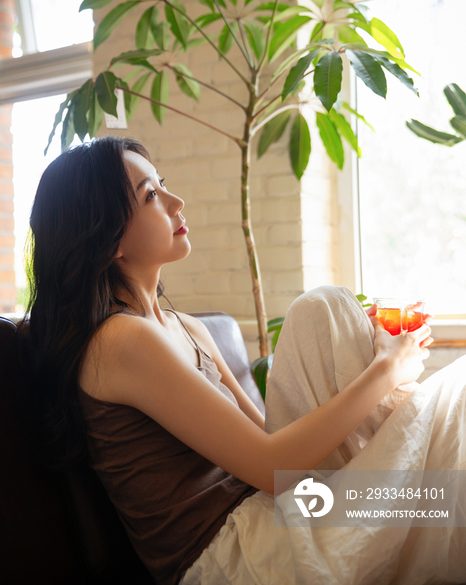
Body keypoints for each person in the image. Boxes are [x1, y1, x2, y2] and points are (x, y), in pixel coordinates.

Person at [19, 135, 466, 585]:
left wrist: (354, 348)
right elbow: (273, 469)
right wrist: (387, 370)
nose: (177, 202)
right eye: (151, 195)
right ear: (108, 236)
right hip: (236, 558)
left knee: (323, 312)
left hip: (272, 511)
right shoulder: (119, 340)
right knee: (450, 437)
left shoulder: (188, 329)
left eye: (162, 185)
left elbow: (271, 442)